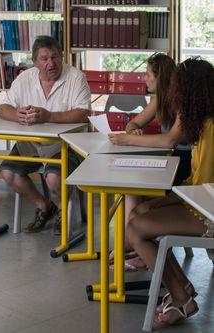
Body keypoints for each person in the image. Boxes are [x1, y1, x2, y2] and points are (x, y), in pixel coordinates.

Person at [126, 59, 213, 326]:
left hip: (208, 211)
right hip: (200, 199)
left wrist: (172, 199)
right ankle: (183, 289)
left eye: (177, 88)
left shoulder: (210, 127)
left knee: (136, 228)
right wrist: (165, 199)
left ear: (190, 92)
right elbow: (197, 180)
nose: (173, 94)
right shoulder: (203, 121)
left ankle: (181, 298)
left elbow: (206, 189)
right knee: (141, 211)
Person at [0, 36, 91, 234]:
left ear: (62, 56)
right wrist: (17, 114)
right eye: (44, 58)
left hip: (66, 144)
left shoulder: (75, 77)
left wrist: (49, 116)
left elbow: (83, 114)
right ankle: (45, 206)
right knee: (8, 172)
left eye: (55, 57)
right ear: (34, 62)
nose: (51, 63)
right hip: (32, 143)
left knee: (53, 179)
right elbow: (3, 108)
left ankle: (64, 211)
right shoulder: (25, 78)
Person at [108, 54, 191, 271]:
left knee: (138, 188)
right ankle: (134, 246)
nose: (144, 79)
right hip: (172, 159)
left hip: (187, 162)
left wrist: (130, 138)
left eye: (147, 74)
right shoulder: (158, 100)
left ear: (159, 78)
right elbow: (133, 122)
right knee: (131, 187)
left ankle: (129, 246)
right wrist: (132, 130)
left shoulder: (183, 101)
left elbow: (171, 139)